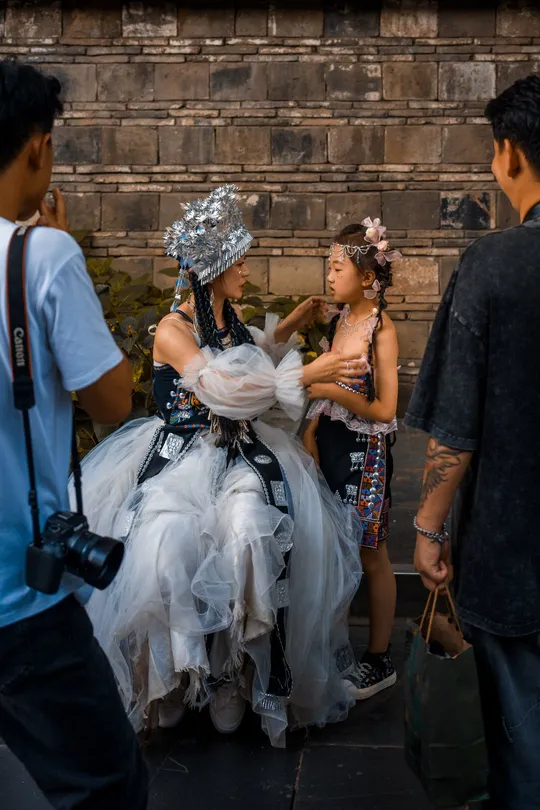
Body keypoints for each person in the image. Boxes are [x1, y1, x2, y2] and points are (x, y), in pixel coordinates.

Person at [75, 184, 366, 748]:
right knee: (167, 539)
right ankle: (178, 675)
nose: (246, 268)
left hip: (238, 454)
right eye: (239, 260)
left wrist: (285, 332)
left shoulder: (227, 319)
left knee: (251, 528)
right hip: (181, 456)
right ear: (213, 269)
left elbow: (248, 353)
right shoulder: (172, 330)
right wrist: (311, 371)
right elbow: (229, 387)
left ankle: (238, 671)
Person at [0, 60, 148, 809]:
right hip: (18, 596)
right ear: (36, 148)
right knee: (106, 784)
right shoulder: (41, 256)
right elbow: (114, 402)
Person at [405, 74, 540, 810]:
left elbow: (455, 428)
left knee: (521, 748)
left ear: (509, 154)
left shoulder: (492, 266)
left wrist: (427, 528)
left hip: (511, 555)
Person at [303, 221, 400, 700]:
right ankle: (336, 649)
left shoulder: (381, 329)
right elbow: (324, 398)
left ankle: (380, 658)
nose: (330, 274)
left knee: (370, 550)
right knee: (335, 546)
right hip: (332, 445)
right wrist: (311, 428)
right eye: (329, 265)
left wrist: (328, 389)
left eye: (337, 266)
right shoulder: (339, 321)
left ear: (366, 276)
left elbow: (385, 409)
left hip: (367, 451)